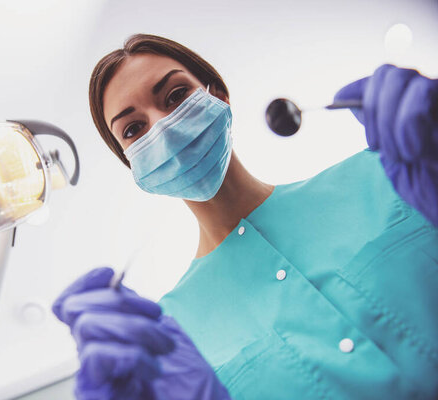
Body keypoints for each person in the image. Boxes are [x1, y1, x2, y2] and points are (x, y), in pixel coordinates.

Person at [52, 34, 438, 399]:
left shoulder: (390, 177)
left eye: (175, 95)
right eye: (134, 129)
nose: (163, 128)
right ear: (132, 165)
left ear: (217, 95)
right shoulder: (168, 339)